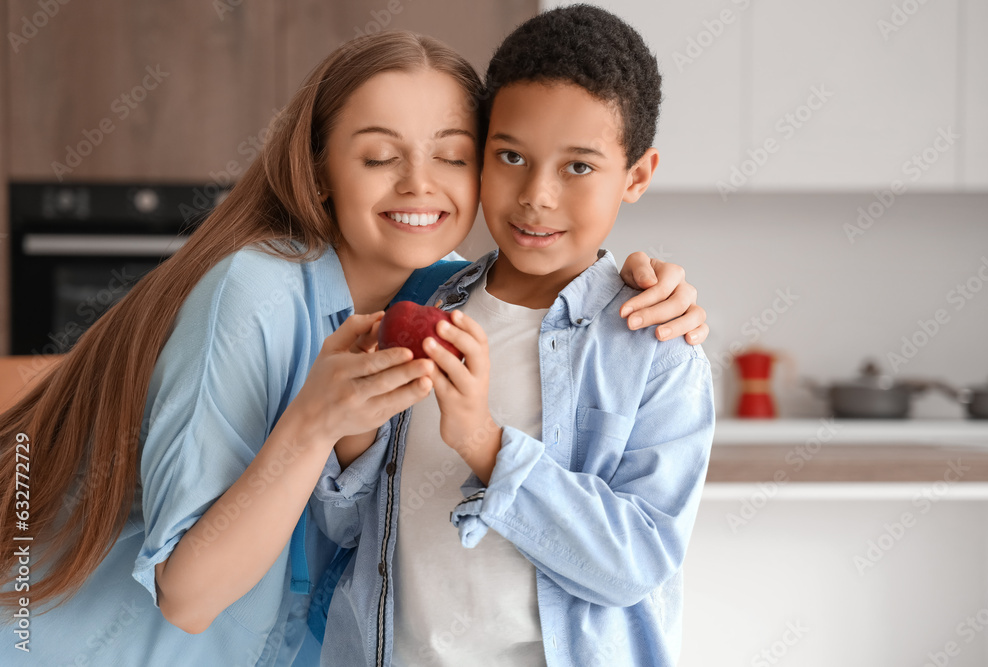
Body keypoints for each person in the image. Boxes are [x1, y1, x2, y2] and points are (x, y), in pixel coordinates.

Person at [0, 30, 707, 667]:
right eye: (378, 156)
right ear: (319, 170)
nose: (420, 184)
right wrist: (315, 422)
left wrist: (635, 277)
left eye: (453, 156)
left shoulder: (440, 298)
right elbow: (189, 597)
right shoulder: (256, 291)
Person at [310, 6, 716, 666]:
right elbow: (348, 535)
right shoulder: (419, 304)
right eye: (510, 156)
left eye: (578, 167)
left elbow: (633, 565)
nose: (537, 196)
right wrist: (351, 435)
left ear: (636, 176)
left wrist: (483, 441)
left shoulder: (657, 348)